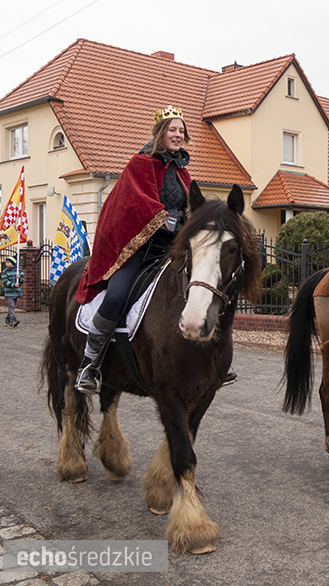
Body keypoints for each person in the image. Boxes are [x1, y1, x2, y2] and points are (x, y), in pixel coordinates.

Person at [73, 105, 192, 393]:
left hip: (172, 247)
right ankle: (90, 365)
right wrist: (168, 219)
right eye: (172, 130)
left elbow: (190, 205)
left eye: (181, 130)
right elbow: (137, 204)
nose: (177, 135)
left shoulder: (182, 172)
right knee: (116, 295)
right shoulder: (141, 164)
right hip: (141, 245)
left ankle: (213, 360)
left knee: (204, 287)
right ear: (161, 133)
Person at [0, 256, 24, 327]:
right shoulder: (5, 272)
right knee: (12, 306)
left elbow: (23, 280)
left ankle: (7, 320)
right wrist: (13, 285)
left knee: (12, 307)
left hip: (16, 292)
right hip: (9, 292)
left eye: (8, 262)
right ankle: (13, 320)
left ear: (13, 263)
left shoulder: (18, 271)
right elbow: (5, 281)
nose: (6, 264)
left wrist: (19, 278)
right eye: (6, 262)